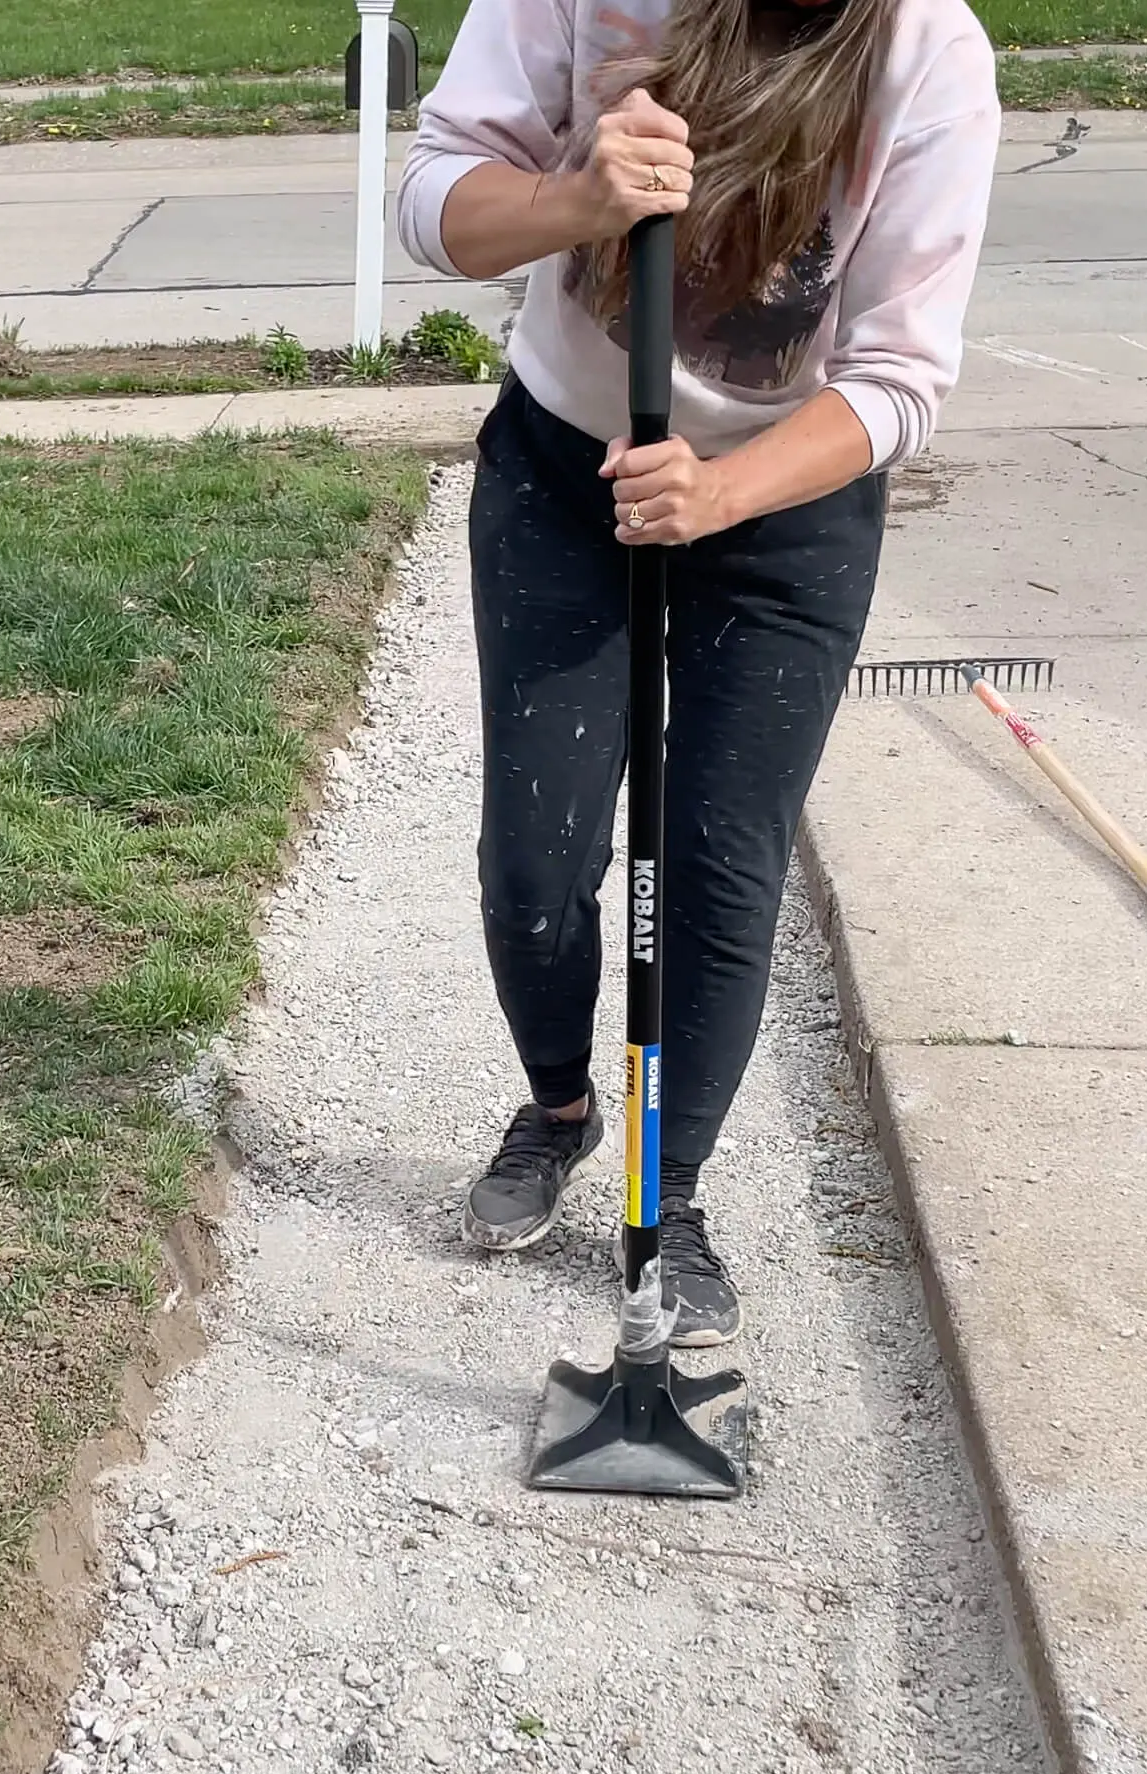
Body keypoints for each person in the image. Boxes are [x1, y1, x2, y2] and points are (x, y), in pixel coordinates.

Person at [398, 0, 1000, 1346]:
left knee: (720, 866)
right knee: (535, 868)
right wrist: (573, 198)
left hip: (783, 507)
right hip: (567, 473)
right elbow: (432, 202)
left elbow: (900, 372)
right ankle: (558, 1113)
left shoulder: (924, 52)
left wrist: (722, 493)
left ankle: (666, 1198)